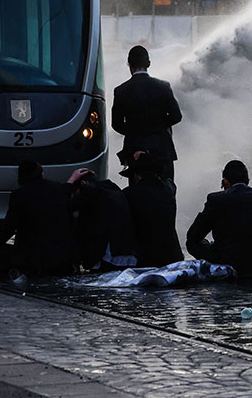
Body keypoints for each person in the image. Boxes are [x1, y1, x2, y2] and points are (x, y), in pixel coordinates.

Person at [186, 160, 252, 279]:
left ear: (225, 181)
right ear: (248, 181)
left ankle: (220, 268)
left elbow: (193, 235)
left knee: (191, 243)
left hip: (229, 261)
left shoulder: (216, 199)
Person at [0, 161, 79, 276]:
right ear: (42, 174)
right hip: (62, 255)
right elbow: (66, 191)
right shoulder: (57, 188)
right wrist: (72, 179)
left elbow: (9, 226)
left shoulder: (20, 194)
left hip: (35, 257)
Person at [111, 45, 183, 182]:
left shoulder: (121, 91)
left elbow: (116, 124)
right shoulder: (163, 87)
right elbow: (176, 116)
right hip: (161, 149)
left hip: (135, 151)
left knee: (138, 192)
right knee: (165, 189)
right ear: (148, 63)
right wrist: (158, 126)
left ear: (129, 64)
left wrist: (135, 131)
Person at [122, 152, 184, 268]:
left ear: (136, 175)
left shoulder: (128, 194)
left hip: (146, 259)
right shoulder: (168, 190)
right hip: (173, 257)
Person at [68, 167, 137, 271]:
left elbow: (66, 206)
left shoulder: (89, 190)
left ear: (83, 183)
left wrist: (70, 181)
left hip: (107, 252)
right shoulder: (113, 190)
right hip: (125, 251)